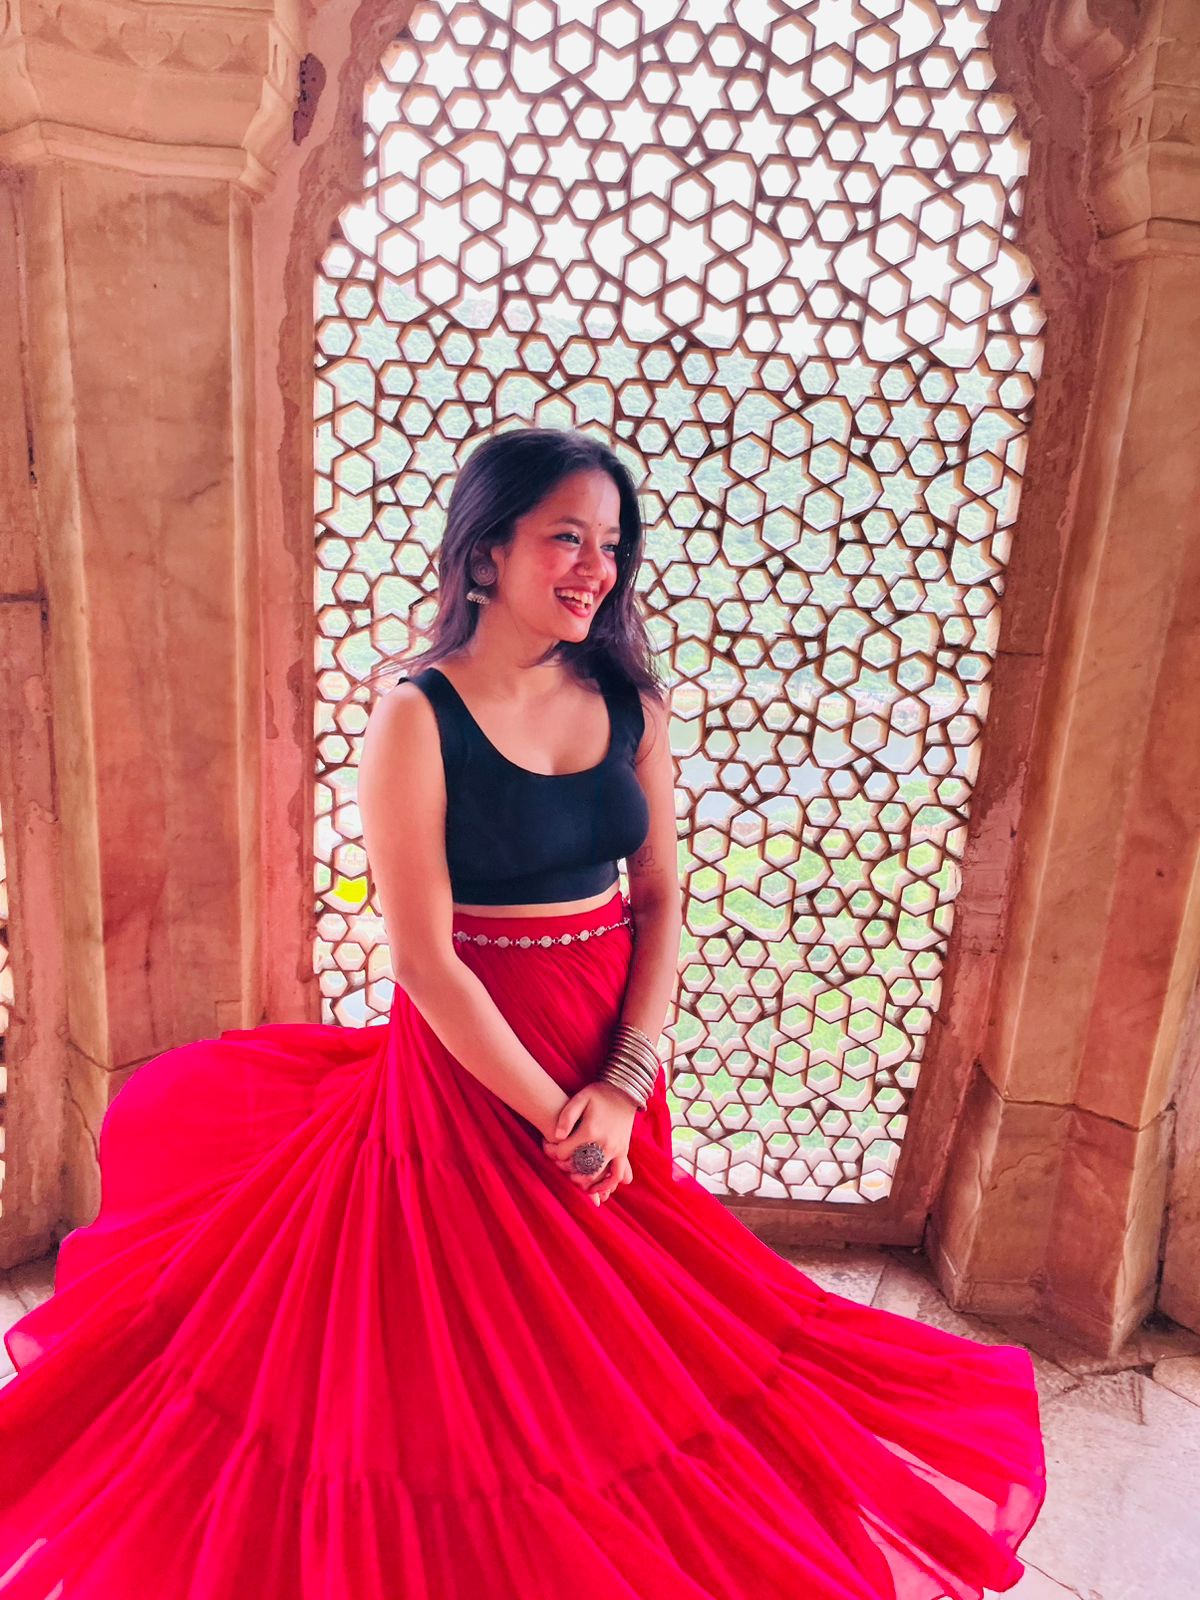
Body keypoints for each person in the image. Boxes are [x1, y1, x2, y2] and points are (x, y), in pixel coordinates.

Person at [0, 427, 1047, 1598]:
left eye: (611, 542)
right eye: (566, 537)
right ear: (487, 551)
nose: (597, 567)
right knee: (470, 1347)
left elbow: (662, 897)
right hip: (471, 1072)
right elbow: (425, 958)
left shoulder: (630, 702)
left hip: (608, 1057)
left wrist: (626, 1082)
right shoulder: (417, 715)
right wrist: (560, 1115)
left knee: (617, 1331)